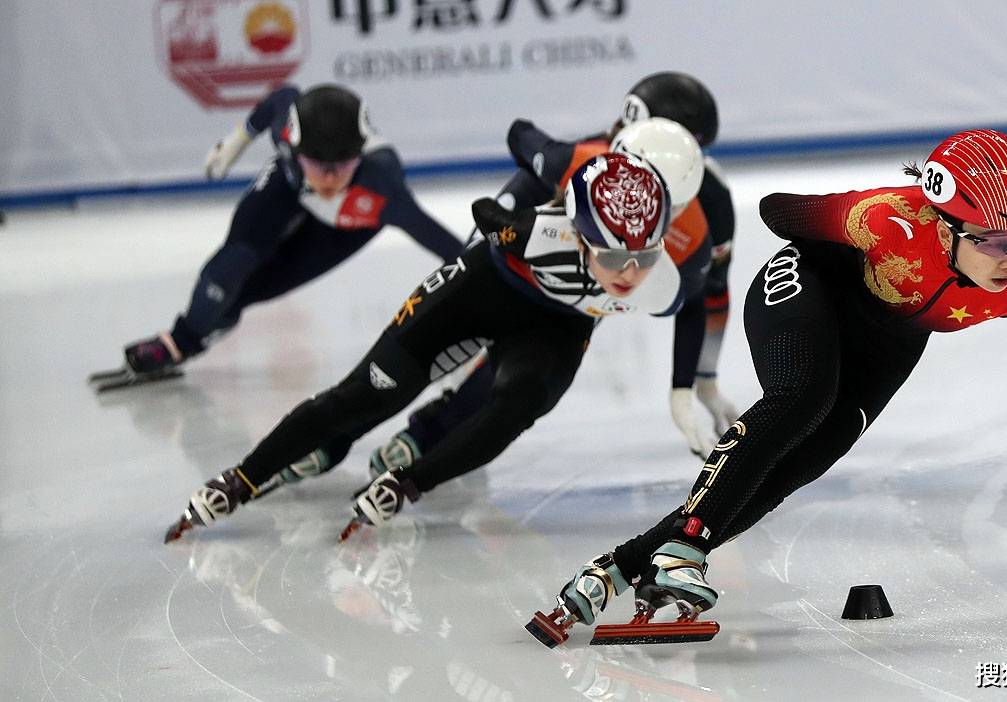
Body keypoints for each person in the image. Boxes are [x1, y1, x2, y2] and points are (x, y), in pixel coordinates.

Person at [527, 128, 1007, 647]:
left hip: (888, 344)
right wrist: (855, 219)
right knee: (803, 398)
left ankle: (619, 568)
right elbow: (777, 212)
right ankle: (685, 547)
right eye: (996, 241)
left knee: (809, 456)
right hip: (812, 285)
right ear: (942, 226)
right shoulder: (882, 219)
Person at [164, 152, 700, 542]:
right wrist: (505, 222)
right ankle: (241, 478)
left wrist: (688, 388)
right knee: (365, 395)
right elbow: (495, 196)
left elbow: (692, 302)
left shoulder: (664, 283)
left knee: (516, 407)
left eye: (643, 258)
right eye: (611, 258)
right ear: (579, 236)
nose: (628, 275)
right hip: (480, 293)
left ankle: (409, 483)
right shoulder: (541, 233)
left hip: (554, 328)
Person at [353, 71, 739, 483]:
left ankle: (432, 429)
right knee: (490, 317)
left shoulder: (708, 203)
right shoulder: (578, 161)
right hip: (531, 261)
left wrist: (701, 384)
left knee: (531, 355)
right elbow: (502, 205)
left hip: (587, 288)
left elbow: (707, 294)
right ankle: (414, 423)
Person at [112, 83, 462, 383]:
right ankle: (179, 339)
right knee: (232, 264)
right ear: (293, 147)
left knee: (254, 289)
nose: (328, 178)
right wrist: (234, 142)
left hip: (347, 223)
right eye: (316, 163)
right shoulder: (287, 134)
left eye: (342, 165)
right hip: (288, 190)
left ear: (359, 156)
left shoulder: (384, 189)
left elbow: (453, 252)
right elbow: (282, 97)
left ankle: (204, 332)